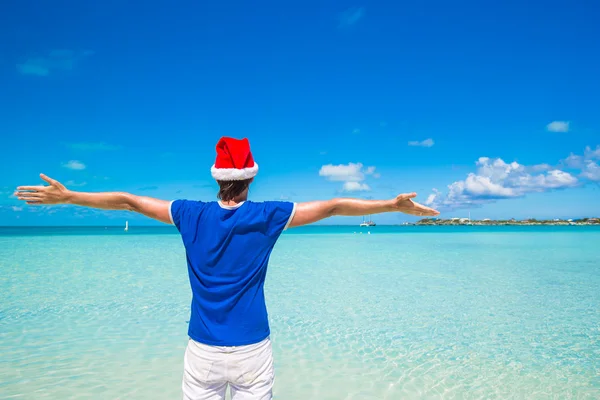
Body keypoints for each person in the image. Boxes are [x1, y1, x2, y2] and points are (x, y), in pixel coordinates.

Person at [15, 137, 439, 400]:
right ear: (250, 178)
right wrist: (390, 205)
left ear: (217, 179)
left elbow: (128, 200)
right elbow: (332, 205)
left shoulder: (187, 213)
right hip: (253, 348)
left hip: (202, 349)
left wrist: (70, 197)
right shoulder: (269, 215)